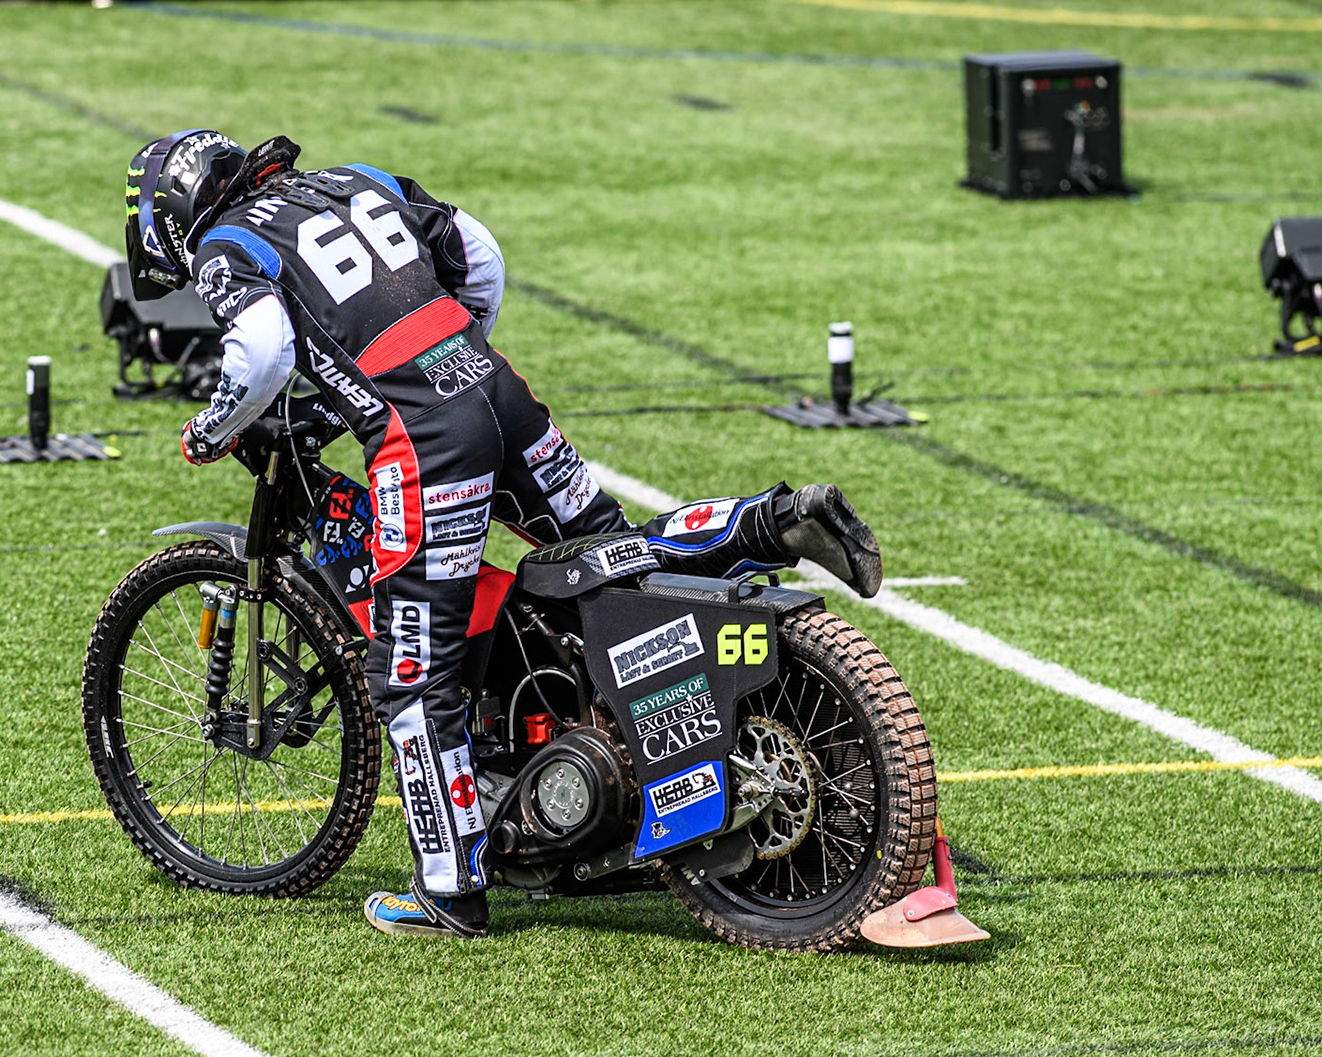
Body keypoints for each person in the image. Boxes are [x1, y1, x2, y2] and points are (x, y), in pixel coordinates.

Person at [125, 130, 883, 940]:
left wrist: (210, 429)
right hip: (492, 387)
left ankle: (448, 889)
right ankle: (764, 521)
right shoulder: (356, 178)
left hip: (425, 442)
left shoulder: (225, 243)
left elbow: (266, 351)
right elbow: (478, 255)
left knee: (414, 676)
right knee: (607, 557)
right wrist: (451, 350)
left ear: (171, 213)